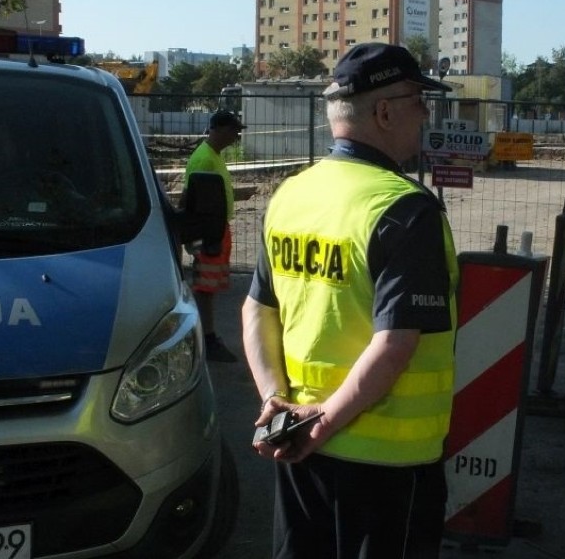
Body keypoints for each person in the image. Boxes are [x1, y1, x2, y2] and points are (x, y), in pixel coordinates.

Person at [242, 42, 459, 559]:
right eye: (417, 100)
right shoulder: (405, 208)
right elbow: (395, 344)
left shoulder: (293, 193)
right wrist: (325, 422)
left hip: (298, 444)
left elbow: (256, 308)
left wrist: (275, 399)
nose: (426, 113)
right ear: (383, 111)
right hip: (387, 465)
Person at [184, 109, 245, 362]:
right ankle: (206, 339)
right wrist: (194, 236)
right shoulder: (204, 160)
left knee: (209, 285)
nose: (236, 136)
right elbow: (191, 199)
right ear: (218, 129)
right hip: (210, 231)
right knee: (205, 286)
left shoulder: (212, 156)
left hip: (216, 229)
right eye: (233, 131)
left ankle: (205, 336)